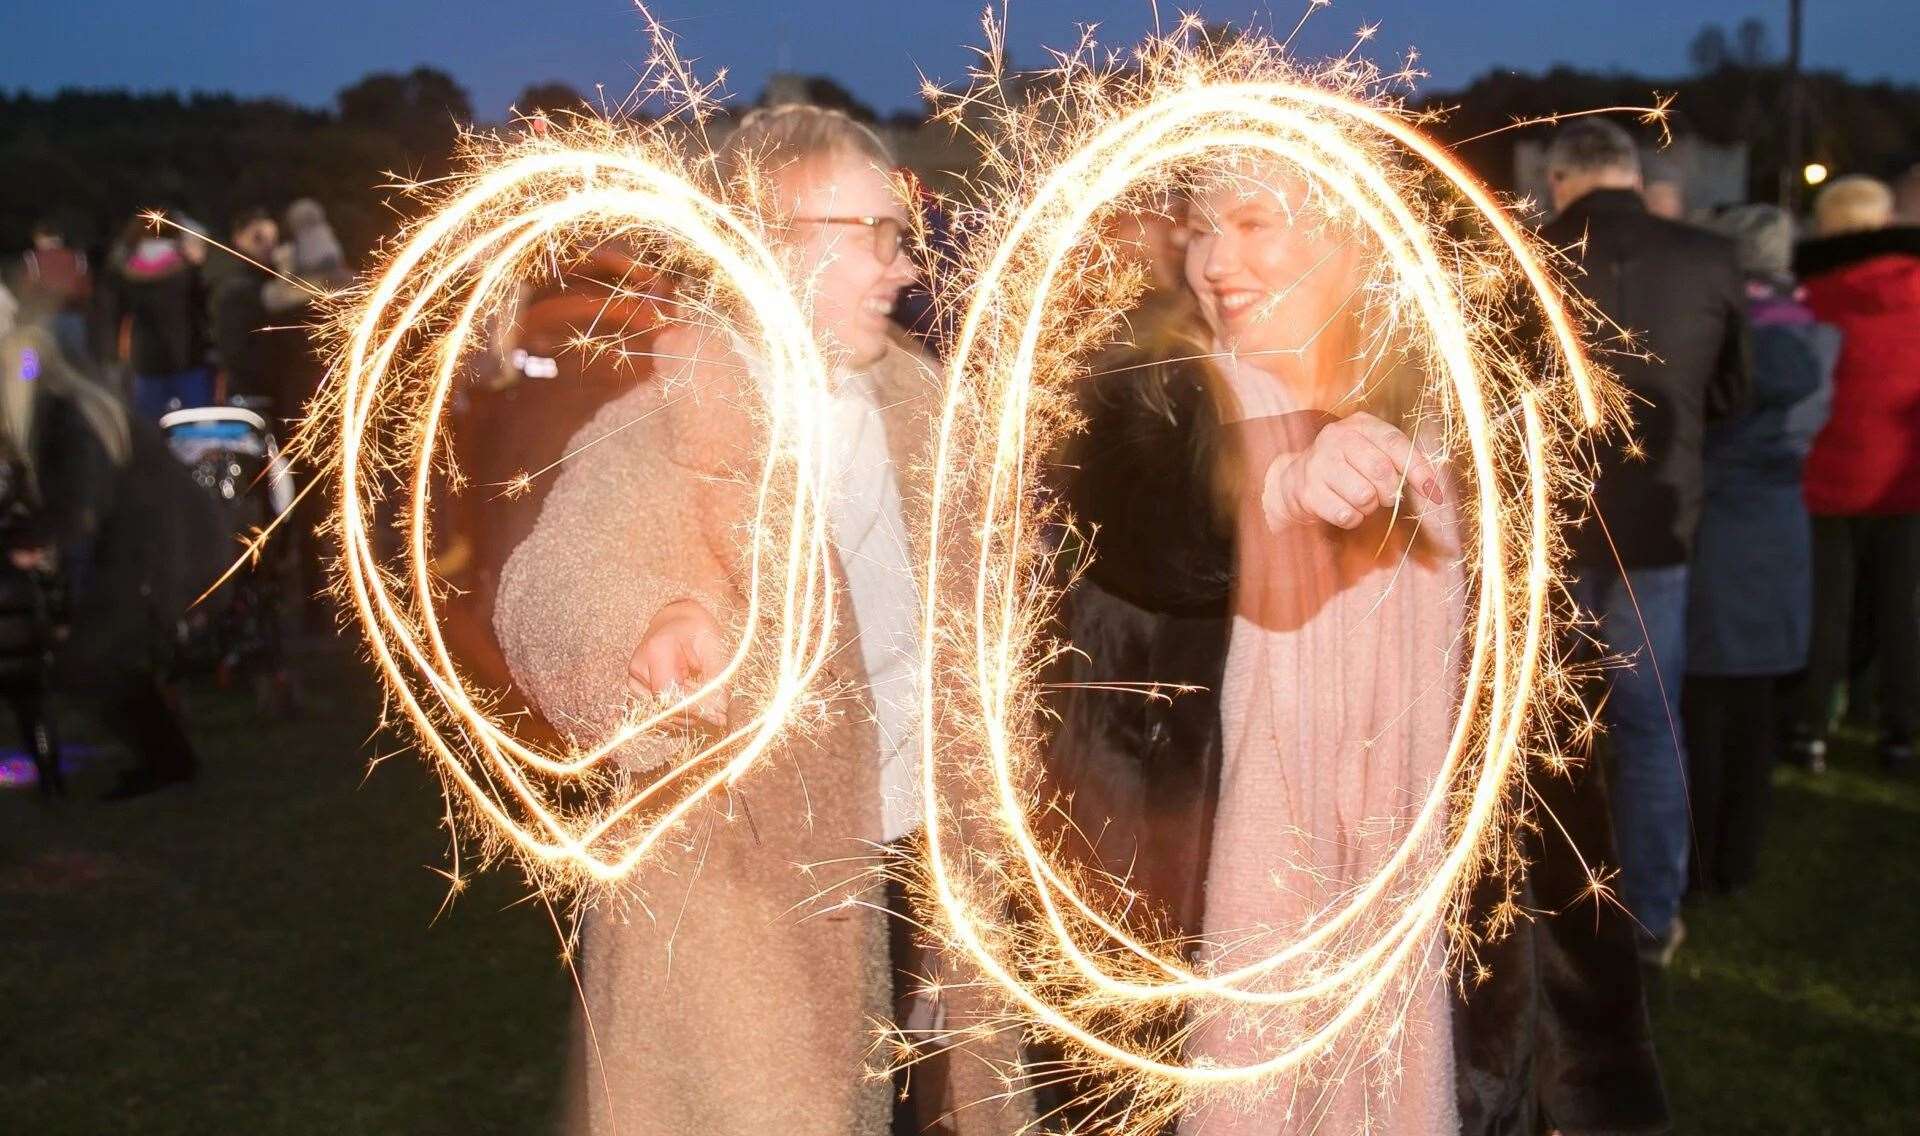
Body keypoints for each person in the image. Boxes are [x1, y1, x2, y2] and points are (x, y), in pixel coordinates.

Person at [492, 106, 1024, 1136]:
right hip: (752, 933)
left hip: (922, 885)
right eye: (864, 235)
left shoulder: (921, 407)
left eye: (899, 231)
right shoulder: (664, 429)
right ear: (758, 247)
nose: (902, 267)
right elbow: (549, 589)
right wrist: (647, 630)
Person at [1539, 119, 1750, 967]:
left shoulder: (1528, 257)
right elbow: (1735, 388)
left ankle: (1548, 905)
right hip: (1656, 526)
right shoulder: (1706, 258)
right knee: (1651, 726)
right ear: (1630, 173)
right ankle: (1650, 915)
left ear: (1559, 180)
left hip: (1552, 525)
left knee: (1548, 722)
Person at [1683, 204, 1837, 895]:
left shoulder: (1717, 343)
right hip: (1778, 534)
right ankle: (1736, 864)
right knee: (1753, 711)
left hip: (1719, 536)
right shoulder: (1813, 340)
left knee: (1703, 710)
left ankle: (1695, 859)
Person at [0, 324, 223, 800]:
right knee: (101, 659)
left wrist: (33, 537)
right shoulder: (70, 405)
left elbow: (83, 500)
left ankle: (169, 763)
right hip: (145, 545)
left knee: (89, 662)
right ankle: (169, 758)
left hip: (153, 550)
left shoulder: (68, 415)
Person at [1788, 175, 1920, 775]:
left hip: (1827, 477)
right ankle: (1899, 733)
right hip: (1904, 476)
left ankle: (1811, 729)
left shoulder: (1813, 295)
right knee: (1901, 611)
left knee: (1827, 611)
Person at [99, 216, 211, 420]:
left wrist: (112, 357)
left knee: (148, 428)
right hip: (189, 359)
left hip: (147, 362)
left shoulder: (125, 274)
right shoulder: (190, 271)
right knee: (199, 428)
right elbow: (206, 310)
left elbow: (114, 318)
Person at [204, 207, 280, 404]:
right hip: (247, 390)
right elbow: (234, 349)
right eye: (258, 237)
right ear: (238, 238)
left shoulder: (261, 277)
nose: (268, 246)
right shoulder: (237, 285)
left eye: (273, 238)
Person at [12, 219, 93, 366]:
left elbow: (26, 290)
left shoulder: (32, 259)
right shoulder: (78, 258)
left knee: (31, 364)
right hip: (73, 316)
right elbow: (85, 289)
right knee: (75, 363)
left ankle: (30, 385)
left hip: (41, 318)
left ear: (39, 238)